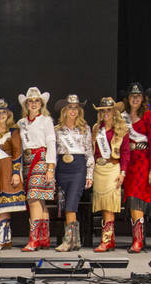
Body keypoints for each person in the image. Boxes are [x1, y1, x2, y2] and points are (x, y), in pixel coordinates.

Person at [17, 87, 56, 252]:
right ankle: (43, 238)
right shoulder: (21, 123)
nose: (33, 104)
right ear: (26, 104)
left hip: (40, 159)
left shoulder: (46, 120)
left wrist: (50, 167)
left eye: (36, 101)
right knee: (39, 200)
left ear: (41, 104)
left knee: (34, 197)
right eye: (30, 101)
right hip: (26, 160)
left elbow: (51, 143)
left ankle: (34, 240)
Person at [53, 94, 93, 251]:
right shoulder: (57, 130)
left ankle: (68, 240)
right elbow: (54, 153)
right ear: (64, 110)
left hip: (78, 167)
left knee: (71, 204)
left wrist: (89, 174)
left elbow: (89, 152)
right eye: (70, 107)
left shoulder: (85, 129)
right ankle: (75, 240)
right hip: (62, 168)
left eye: (76, 107)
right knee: (64, 203)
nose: (73, 110)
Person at [120, 82, 151, 253]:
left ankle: (138, 241)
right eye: (132, 96)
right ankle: (136, 238)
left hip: (143, 161)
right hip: (129, 160)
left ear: (143, 99)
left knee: (137, 198)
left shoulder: (148, 116)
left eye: (138, 96)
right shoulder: (122, 116)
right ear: (128, 99)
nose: (135, 99)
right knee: (130, 199)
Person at [0, 98, 26, 249]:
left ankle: (2, 239)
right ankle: (5, 239)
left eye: (4, 112)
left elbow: (17, 153)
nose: (1, 115)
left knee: (5, 205)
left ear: (8, 114)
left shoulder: (13, 132)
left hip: (7, 169)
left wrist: (16, 172)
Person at [90, 97, 129, 252]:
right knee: (102, 205)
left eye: (108, 110)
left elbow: (126, 153)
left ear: (114, 112)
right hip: (99, 169)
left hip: (113, 168)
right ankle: (109, 240)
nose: (106, 113)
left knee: (109, 206)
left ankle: (105, 241)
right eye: (103, 110)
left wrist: (123, 173)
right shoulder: (95, 129)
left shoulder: (121, 129)